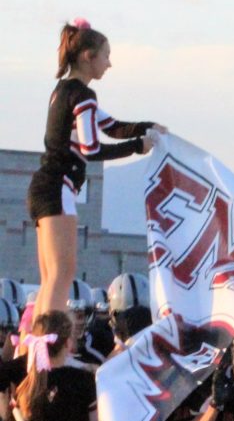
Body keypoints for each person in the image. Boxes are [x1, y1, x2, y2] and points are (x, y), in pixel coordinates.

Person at [26, 19, 166, 317]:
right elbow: (91, 148)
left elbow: (112, 126)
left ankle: (37, 338)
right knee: (62, 273)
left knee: (51, 277)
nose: (109, 64)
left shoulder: (64, 90)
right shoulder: (83, 96)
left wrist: (148, 127)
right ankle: (49, 341)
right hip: (58, 187)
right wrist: (137, 146)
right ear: (88, 57)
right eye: (106, 56)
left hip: (44, 187)